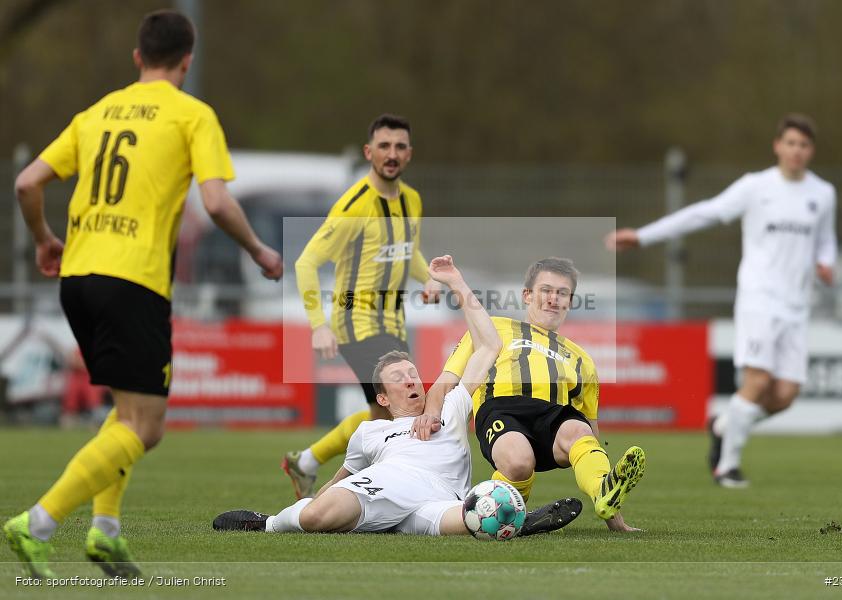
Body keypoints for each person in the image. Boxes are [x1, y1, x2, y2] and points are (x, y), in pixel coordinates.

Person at [3, 9, 283, 579]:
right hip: (132, 280)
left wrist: (43, 240)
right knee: (146, 426)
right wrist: (258, 250)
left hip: (77, 278)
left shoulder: (96, 112)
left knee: (124, 413)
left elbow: (27, 181)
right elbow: (219, 202)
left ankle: (105, 533)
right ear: (188, 58)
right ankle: (38, 522)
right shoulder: (192, 115)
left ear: (137, 58)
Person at [216, 256, 581, 537]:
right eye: (398, 377)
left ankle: (517, 519)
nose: (411, 379)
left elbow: (489, 344)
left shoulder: (449, 408)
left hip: (438, 501)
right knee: (315, 516)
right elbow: (343, 476)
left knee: (480, 517)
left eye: (412, 373)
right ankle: (269, 524)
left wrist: (455, 281)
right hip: (387, 486)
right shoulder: (370, 433)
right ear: (384, 399)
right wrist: (316, 497)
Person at [605, 113, 837, 488]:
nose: (796, 151)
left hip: (797, 306)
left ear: (811, 151)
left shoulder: (823, 194)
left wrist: (827, 263)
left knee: (786, 394)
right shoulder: (755, 186)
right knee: (758, 381)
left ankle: (723, 424)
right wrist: (644, 236)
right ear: (778, 145)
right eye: (790, 143)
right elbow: (705, 213)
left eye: (804, 145)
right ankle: (726, 466)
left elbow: (825, 239)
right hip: (759, 299)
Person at [413, 258, 646, 532]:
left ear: (570, 302)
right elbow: (444, 383)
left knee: (577, 430)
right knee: (519, 461)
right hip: (502, 410)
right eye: (546, 290)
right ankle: (512, 517)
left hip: (552, 417)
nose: (553, 299)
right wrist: (429, 415)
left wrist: (614, 520)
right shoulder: (492, 328)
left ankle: (603, 491)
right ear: (527, 295)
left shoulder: (582, 359)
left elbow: (591, 435)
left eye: (562, 293)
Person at [283, 114, 441, 499]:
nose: (392, 154)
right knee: (401, 411)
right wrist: (319, 324)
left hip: (393, 324)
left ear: (409, 154)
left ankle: (306, 464)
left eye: (399, 147)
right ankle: (334, 497)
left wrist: (429, 278)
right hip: (357, 322)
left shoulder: (412, 200)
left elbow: (407, 252)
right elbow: (306, 262)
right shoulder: (354, 205)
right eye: (384, 146)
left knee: (381, 415)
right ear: (369, 152)